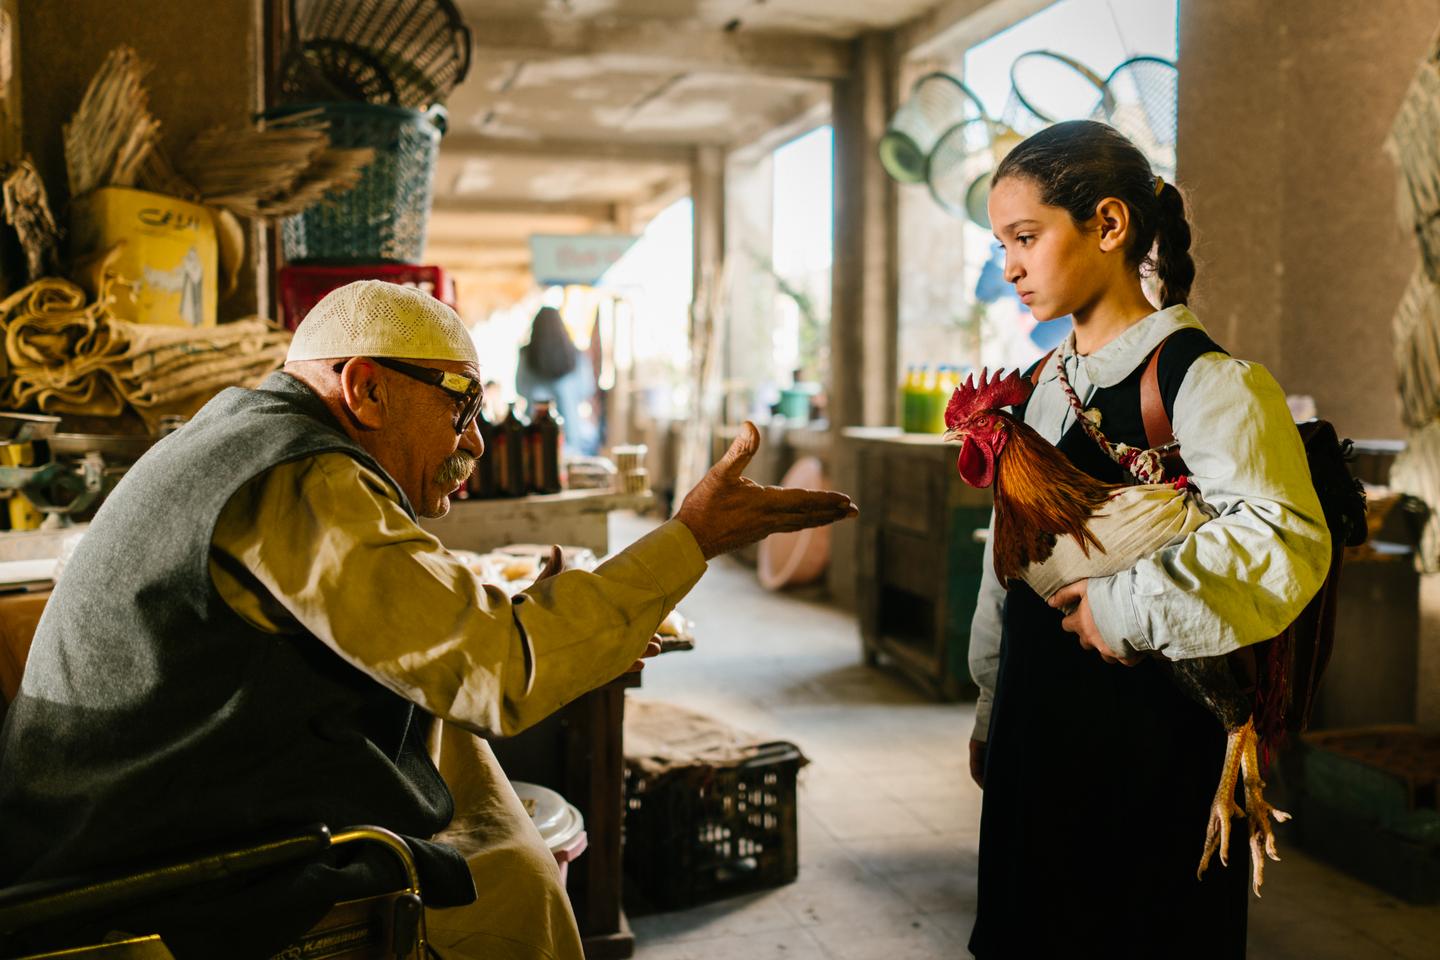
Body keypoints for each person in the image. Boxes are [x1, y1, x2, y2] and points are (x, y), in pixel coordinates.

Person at [0, 280, 857, 960]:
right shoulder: (305, 477)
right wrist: (690, 538)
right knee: (500, 871)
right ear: (367, 388)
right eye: (461, 405)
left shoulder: (236, 433)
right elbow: (500, 672)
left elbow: (424, 623)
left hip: (111, 822)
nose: (476, 441)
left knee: (469, 780)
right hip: (144, 871)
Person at [965, 121, 1330, 958]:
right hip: (1038, 720)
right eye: (1001, 243)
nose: (1009, 265)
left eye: (1026, 238)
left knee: (1143, 930)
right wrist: (993, 703)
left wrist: (1122, 609)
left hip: (1152, 735)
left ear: (1109, 225)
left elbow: (1285, 541)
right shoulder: (1038, 387)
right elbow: (1009, 564)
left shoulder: (1206, 383)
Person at [516, 305, 597, 455]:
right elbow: (586, 389)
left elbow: (520, 388)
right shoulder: (576, 354)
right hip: (571, 434)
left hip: (535, 433)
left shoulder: (526, 354)